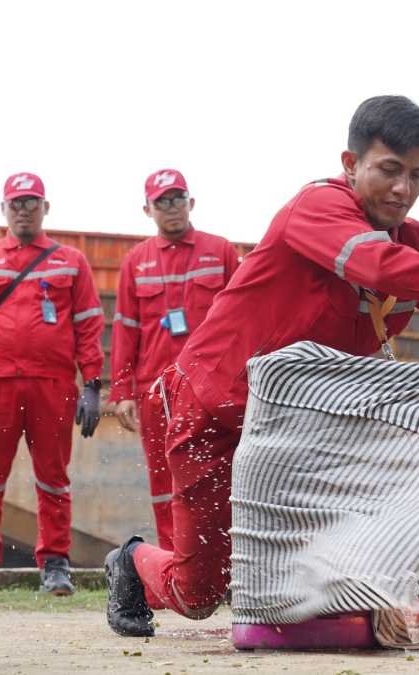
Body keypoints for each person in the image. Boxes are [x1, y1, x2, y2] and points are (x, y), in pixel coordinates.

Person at [104, 95, 419, 637]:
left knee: (323, 562)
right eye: (389, 171)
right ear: (351, 165)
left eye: (418, 175)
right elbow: (376, 265)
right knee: (199, 592)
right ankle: (133, 563)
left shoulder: (412, 244)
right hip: (216, 412)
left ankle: (374, 604)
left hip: (298, 431)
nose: (404, 190)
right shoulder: (318, 208)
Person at [0, 173, 105, 597]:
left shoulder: (71, 261)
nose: (23, 209)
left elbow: (89, 325)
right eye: (15, 203)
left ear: (45, 208)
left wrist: (92, 385)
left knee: (54, 478)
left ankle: (55, 564)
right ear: (3, 209)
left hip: (52, 384)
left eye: (31, 202)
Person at [110, 169, 240, 550]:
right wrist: (122, 390)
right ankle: (175, 562)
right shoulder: (136, 262)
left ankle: (225, 564)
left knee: (221, 472)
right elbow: (125, 330)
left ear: (191, 203)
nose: (171, 208)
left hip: (213, 387)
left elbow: (241, 319)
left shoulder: (221, 252)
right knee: (163, 478)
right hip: (156, 389)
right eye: (162, 201)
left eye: (178, 198)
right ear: (147, 209)